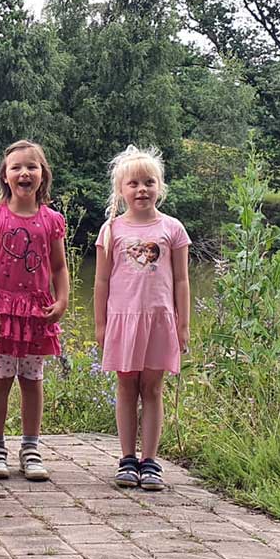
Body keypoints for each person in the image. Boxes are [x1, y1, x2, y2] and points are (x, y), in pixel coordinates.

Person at [94, 145, 190, 491]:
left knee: (151, 388)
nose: (141, 190)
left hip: (159, 319)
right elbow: (101, 280)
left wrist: (183, 323)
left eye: (149, 182)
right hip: (124, 319)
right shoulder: (112, 231)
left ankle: (150, 460)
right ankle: (127, 458)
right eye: (133, 184)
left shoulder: (173, 229)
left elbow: (181, 280)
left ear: (159, 187)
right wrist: (101, 324)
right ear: (121, 190)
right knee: (125, 385)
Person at [0, 139, 69, 481]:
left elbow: (59, 267)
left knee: (32, 380)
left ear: (43, 175)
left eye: (32, 166)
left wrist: (62, 300)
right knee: (0, 379)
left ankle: (31, 447)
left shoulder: (52, 220)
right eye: (16, 167)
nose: (24, 172)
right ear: (5, 176)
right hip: (2, 311)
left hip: (37, 314)